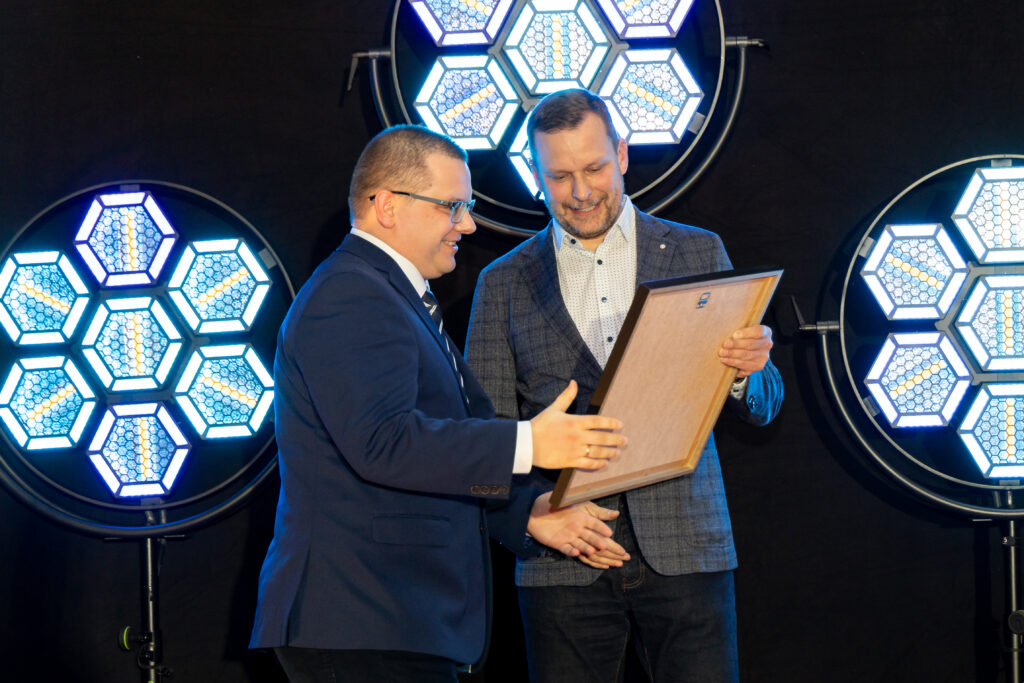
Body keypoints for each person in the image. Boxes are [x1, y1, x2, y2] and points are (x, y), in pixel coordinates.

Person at [249, 123, 630, 683]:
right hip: (361, 619)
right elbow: (385, 443)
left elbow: (436, 448)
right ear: (386, 206)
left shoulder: (389, 295)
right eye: (452, 206)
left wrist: (528, 511)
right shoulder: (350, 294)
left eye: (466, 207)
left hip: (391, 621)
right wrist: (530, 442)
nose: (468, 225)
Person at [465, 89, 784, 683]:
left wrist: (747, 371)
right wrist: (531, 512)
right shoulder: (502, 282)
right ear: (535, 175)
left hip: (687, 546)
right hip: (563, 558)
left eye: (594, 168)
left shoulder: (697, 250)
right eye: (559, 177)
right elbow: (481, 436)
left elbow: (764, 406)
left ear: (623, 154)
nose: (580, 192)